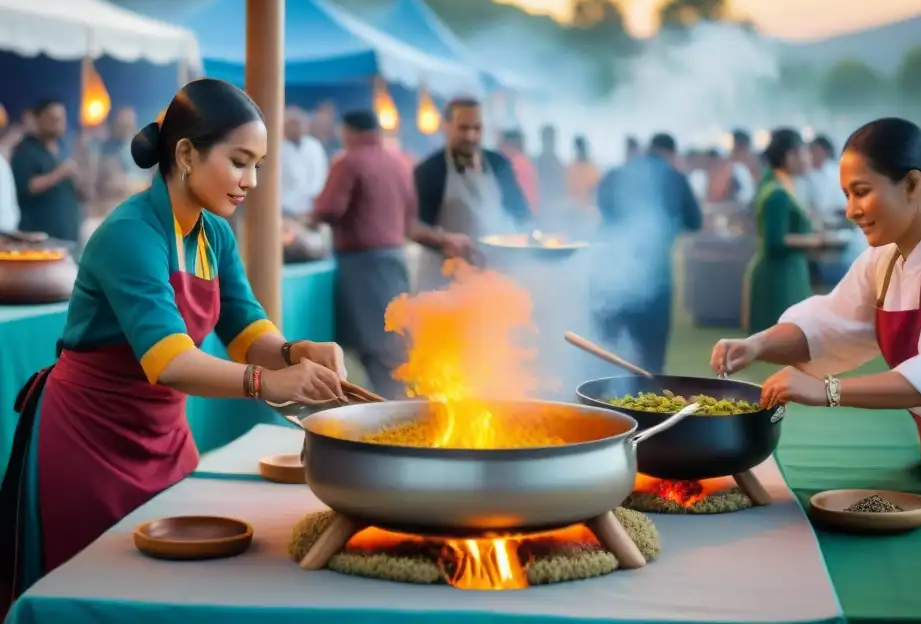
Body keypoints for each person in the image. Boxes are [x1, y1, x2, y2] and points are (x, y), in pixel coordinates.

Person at [0, 79, 349, 611]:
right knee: (96, 597)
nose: (251, 181)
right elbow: (170, 361)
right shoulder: (130, 234)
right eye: (239, 162)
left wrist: (292, 352)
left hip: (164, 437)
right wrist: (269, 383)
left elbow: (244, 325)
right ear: (186, 153)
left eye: (257, 165)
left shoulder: (213, 234)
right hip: (90, 442)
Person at [711, 117, 921, 597]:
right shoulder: (886, 255)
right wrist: (757, 344)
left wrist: (827, 390)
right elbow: (830, 325)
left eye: (862, 192)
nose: (852, 210)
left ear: (914, 183)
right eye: (846, 195)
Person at [314, 110, 455, 398]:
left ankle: (395, 412)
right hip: (394, 260)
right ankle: (405, 407)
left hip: (362, 266)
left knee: (377, 348)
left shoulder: (349, 161)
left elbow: (328, 209)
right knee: (396, 342)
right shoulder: (400, 161)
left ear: (347, 131)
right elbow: (410, 218)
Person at [595, 133, 702, 373]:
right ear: (671, 153)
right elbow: (695, 221)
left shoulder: (617, 173)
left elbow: (603, 209)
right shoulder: (675, 178)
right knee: (651, 355)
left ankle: (606, 401)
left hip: (613, 273)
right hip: (657, 277)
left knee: (611, 351)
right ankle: (647, 405)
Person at [413, 97, 530, 291]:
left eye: (477, 128)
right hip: (443, 283)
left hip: (490, 278)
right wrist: (444, 240)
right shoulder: (430, 171)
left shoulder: (499, 164)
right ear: (446, 126)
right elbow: (412, 226)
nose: (471, 136)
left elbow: (522, 215)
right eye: (463, 128)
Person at [744, 128, 819, 334]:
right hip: (779, 276)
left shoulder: (783, 185)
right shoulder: (776, 193)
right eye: (802, 152)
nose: (807, 158)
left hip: (790, 270)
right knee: (781, 340)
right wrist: (815, 242)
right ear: (788, 155)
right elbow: (775, 241)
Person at [9, 100, 82, 244]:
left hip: (68, 235)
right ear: (38, 119)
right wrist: (59, 173)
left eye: (61, 118)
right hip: (40, 238)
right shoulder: (26, 150)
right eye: (52, 117)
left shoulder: (63, 150)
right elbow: (26, 187)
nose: (58, 122)